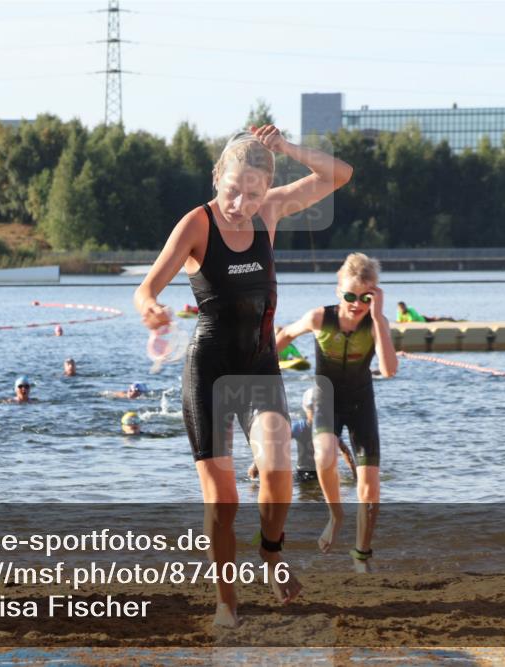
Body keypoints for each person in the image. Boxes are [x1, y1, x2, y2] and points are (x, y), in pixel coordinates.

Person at [133, 124, 352, 626]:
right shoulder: (197, 224)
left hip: (258, 367)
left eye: (253, 194)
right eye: (233, 191)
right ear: (217, 178)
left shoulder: (269, 211)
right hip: (209, 372)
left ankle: (271, 551)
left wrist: (288, 149)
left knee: (277, 472)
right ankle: (226, 601)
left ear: (265, 189)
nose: (241, 204)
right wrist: (151, 310)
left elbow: (339, 174)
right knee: (224, 501)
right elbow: (146, 289)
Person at [276, 253, 398, 573]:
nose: (357, 304)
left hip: (360, 405)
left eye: (365, 297)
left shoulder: (376, 323)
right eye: (350, 296)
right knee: (324, 454)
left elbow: (389, 370)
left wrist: (378, 318)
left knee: (370, 488)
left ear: (375, 296)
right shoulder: (320, 318)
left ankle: (361, 554)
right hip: (326, 399)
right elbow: (286, 335)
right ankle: (335, 515)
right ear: (338, 291)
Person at [248, 387, 357, 483]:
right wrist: (256, 463)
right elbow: (276, 443)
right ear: (305, 409)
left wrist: (354, 473)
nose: (316, 412)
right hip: (303, 473)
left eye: (319, 408)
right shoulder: (300, 428)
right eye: (312, 408)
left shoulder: (328, 429)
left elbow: (344, 450)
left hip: (323, 471)